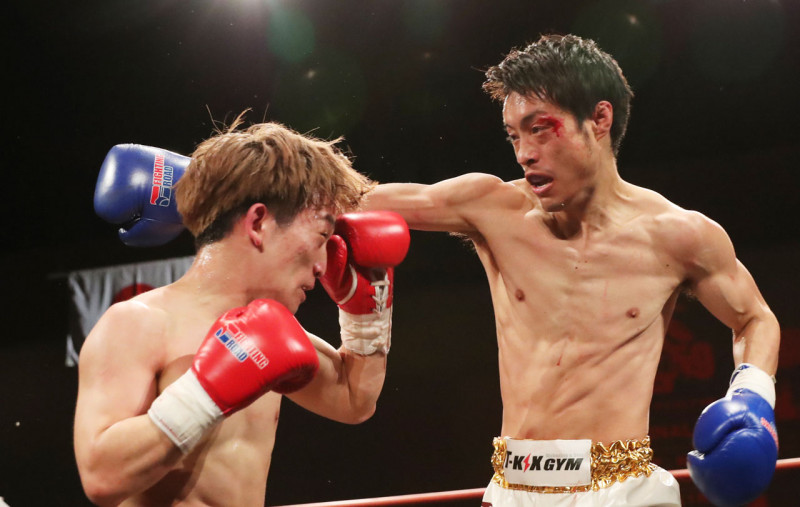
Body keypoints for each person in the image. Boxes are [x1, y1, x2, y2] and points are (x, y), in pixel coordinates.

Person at [363, 34, 780, 506]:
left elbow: (755, 318)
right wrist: (293, 162)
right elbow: (349, 200)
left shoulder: (677, 235)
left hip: (621, 491)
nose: (524, 153)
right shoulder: (492, 209)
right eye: (514, 135)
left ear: (600, 119)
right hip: (512, 489)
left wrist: (752, 396)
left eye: (540, 129)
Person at [74, 117, 410, 506]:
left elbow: (354, 401)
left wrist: (367, 318)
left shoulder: (273, 334)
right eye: (321, 236)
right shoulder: (139, 323)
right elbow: (101, 476)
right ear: (258, 222)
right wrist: (204, 394)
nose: (324, 264)